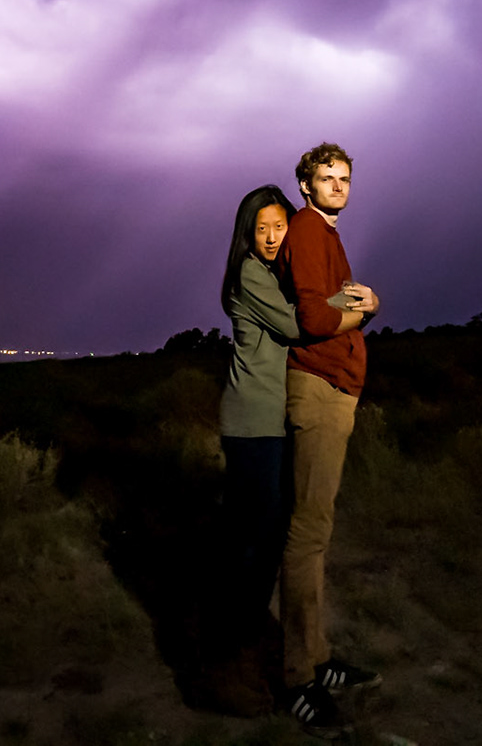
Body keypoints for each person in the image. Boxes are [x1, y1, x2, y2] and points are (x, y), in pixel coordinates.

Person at [276, 142, 380, 735]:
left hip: (334, 388)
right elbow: (315, 320)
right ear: (306, 184)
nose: (338, 185)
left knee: (316, 531)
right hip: (317, 388)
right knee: (306, 533)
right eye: (327, 177)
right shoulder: (309, 229)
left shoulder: (327, 235)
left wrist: (367, 301)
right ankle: (298, 678)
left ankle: (317, 657)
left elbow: (328, 303)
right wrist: (361, 312)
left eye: (344, 178)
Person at [217, 184, 302, 651]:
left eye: (279, 226)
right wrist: (357, 306)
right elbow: (294, 325)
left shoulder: (272, 274)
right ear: (246, 235)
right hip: (253, 422)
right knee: (256, 536)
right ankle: (237, 637)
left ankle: (241, 629)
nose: (271, 236)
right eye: (261, 228)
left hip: (270, 421)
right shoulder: (251, 273)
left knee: (261, 533)